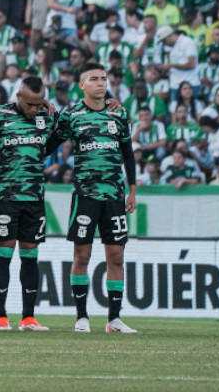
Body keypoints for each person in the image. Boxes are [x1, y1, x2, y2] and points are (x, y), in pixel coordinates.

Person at [49, 61, 139, 334]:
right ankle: (81, 317)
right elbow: (49, 145)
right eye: (95, 79)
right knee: (82, 256)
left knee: (116, 256)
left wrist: (132, 189)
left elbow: (128, 153)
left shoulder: (118, 115)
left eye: (104, 78)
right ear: (82, 85)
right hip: (85, 196)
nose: (101, 83)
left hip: (114, 195)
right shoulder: (71, 115)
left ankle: (114, 319)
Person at [0, 75, 53, 332]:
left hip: (34, 197)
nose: (35, 109)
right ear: (19, 97)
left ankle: (28, 317)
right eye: (30, 104)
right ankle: (0, 316)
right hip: (6, 196)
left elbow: (57, 139)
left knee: (30, 256)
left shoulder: (46, 118)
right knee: (3, 254)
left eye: (39, 104)